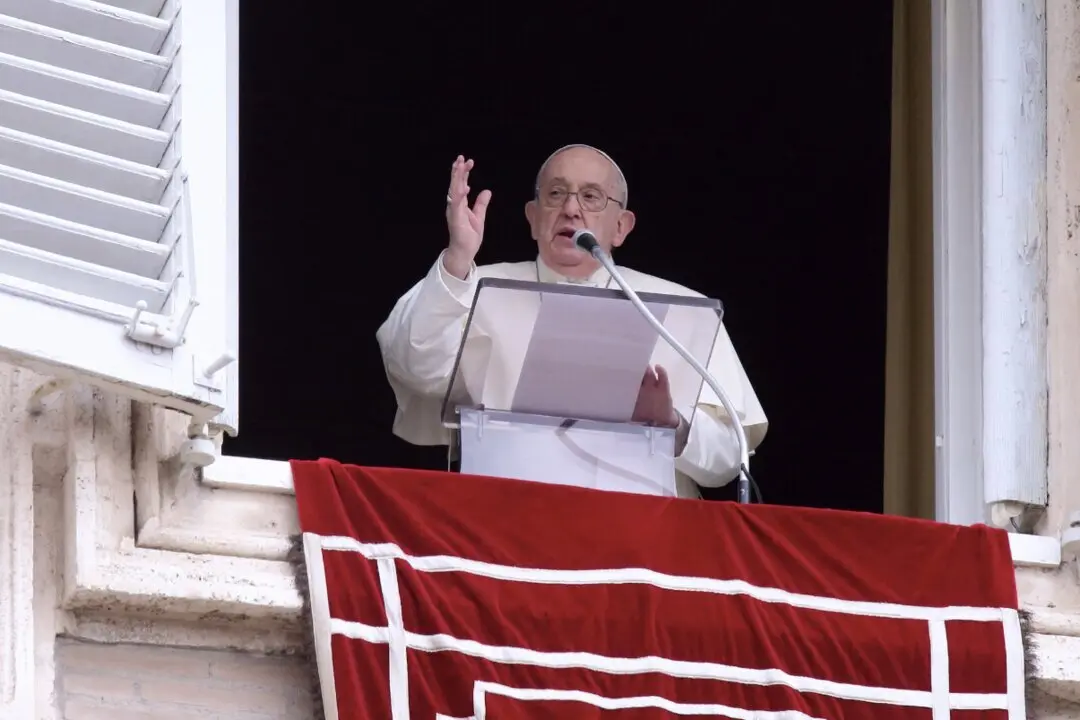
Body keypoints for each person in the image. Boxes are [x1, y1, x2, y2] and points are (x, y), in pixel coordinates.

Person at [376, 144, 767, 498]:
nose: (571, 208)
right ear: (532, 217)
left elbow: (730, 455)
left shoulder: (681, 309)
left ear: (621, 227)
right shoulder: (473, 286)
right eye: (556, 193)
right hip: (502, 531)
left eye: (591, 196)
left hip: (644, 546)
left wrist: (672, 425)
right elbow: (415, 365)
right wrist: (458, 257)